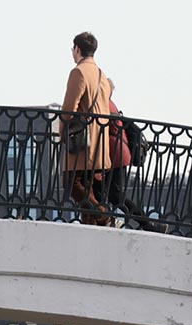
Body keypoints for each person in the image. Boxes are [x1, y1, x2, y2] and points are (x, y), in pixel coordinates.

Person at [61, 31, 114, 227]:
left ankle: (105, 216)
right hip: (100, 142)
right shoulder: (102, 75)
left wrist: (62, 130)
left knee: (71, 183)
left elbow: (68, 110)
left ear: (77, 49)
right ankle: (93, 227)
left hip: (83, 144)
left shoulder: (79, 72)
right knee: (88, 187)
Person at [97, 80, 157, 231]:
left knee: (115, 196)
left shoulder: (104, 105)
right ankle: (109, 220)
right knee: (106, 192)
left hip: (115, 155)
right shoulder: (110, 104)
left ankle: (146, 224)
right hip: (118, 154)